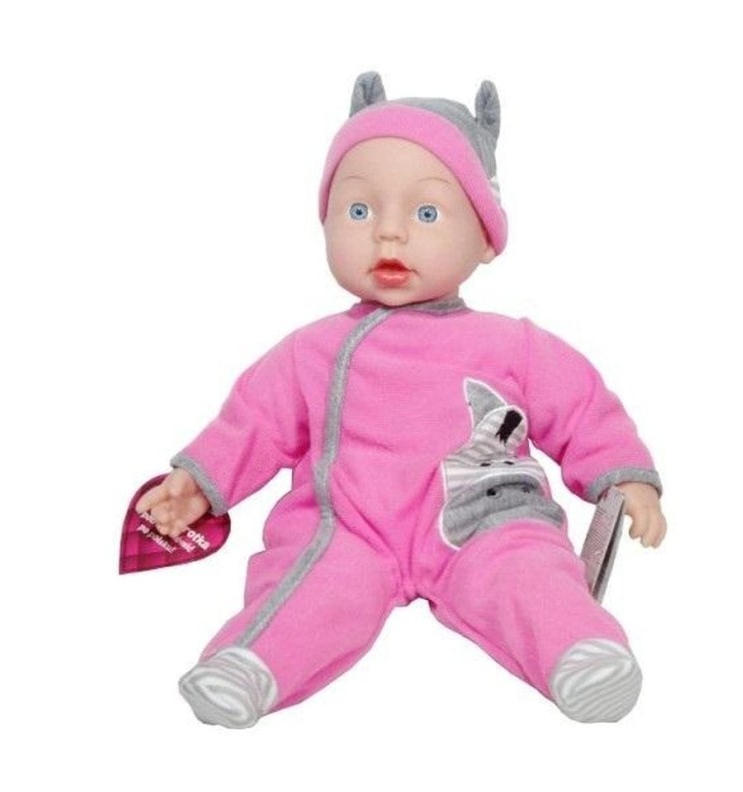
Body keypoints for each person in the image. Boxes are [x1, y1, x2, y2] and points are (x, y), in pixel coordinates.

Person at [135, 72, 667, 728]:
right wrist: (201, 481)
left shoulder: (513, 345)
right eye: (360, 212)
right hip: (350, 523)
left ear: (486, 237)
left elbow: (583, 408)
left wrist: (624, 478)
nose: (389, 235)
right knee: (312, 584)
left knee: (527, 570)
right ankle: (249, 665)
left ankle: (580, 655)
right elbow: (254, 420)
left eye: (426, 213)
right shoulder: (313, 350)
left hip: (484, 516)